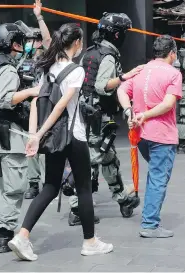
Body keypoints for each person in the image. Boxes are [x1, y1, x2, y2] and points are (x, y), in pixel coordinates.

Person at [8, 23, 113, 261]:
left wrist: (37, 134)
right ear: (76, 43)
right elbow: (60, 106)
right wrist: (38, 133)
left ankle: (22, 236)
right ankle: (90, 241)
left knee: (50, 186)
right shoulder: (75, 71)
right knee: (84, 188)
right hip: (73, 136)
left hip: (54, 137)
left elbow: (38, 102)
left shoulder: (48, 67)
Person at [68, 12, 142, 226]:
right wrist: (124, 77)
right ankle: (77, 207)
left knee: (106, 157)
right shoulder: (108, 56)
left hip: (87, 113)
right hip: (97, 117)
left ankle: (122, 199)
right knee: (94, 159)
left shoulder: (90, 53)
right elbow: (102, 85)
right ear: (117, 34)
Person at [0, 23, 40, 253]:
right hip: (10, 133)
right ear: (13, 43)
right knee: (14, 186)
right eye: (20, 42)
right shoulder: (7, 69)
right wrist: (32, 91)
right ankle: (4, 232)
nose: (23, 46)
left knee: (3, 182)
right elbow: (5, 99)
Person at [118, 35, 183, 238]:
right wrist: (145, 115)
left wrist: (129, 112)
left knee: (155, 175)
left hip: (141, 135)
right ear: (171, 53)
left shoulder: (141, 69)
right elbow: (168, 104)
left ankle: (149, 218)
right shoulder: (173, 74)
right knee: (158, 178)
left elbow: (121, 89)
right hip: (161, 134)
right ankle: (150, 224)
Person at [23, 0, 50, 199]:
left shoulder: (47, 59)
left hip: (45, 108)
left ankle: (51, 181)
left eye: (31, 40)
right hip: (27, 109)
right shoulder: (23, 60)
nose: (28, 44)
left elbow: (48, 40)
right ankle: (33, 183)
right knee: (30, 147)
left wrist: (39, 17)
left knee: (47, 147)